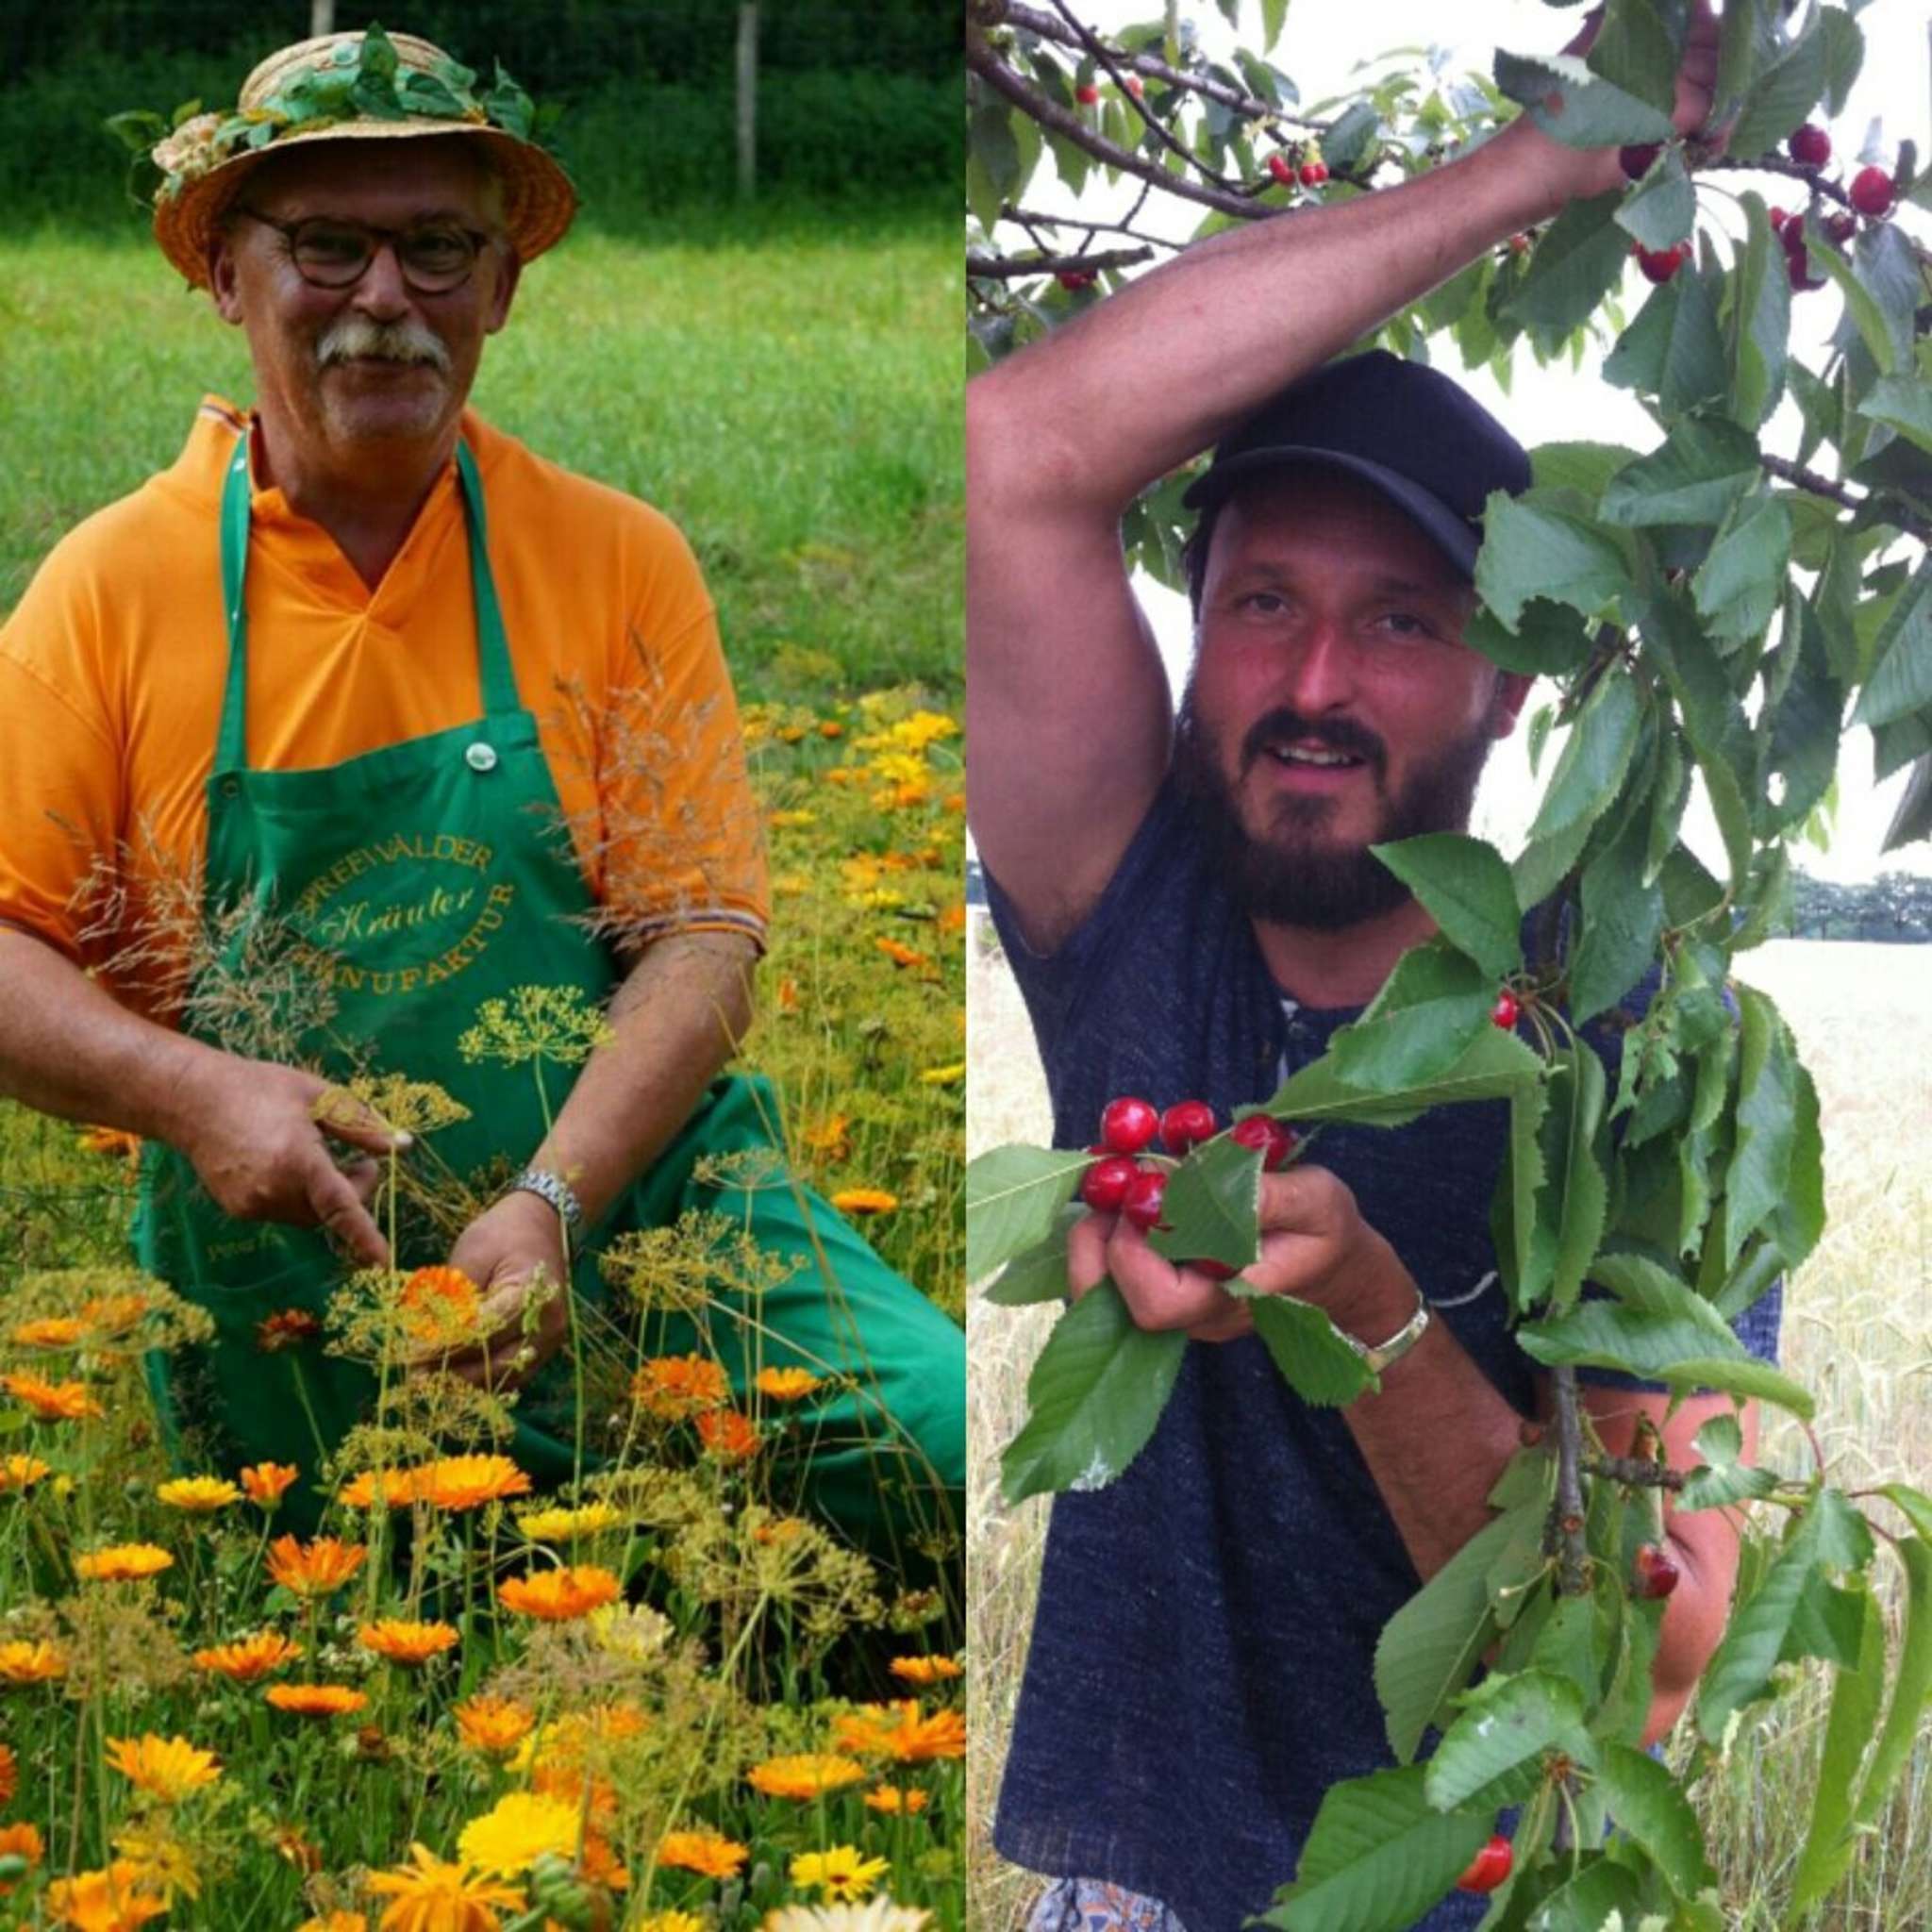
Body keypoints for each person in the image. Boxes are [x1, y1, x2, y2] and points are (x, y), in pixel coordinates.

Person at [966, 6, 1778, 1927]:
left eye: (1400, 621)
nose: (1315, 683)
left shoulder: (1625, 1041)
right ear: (1196, 631)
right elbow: (1019, 447)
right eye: (1263, 603)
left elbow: (1653, 1660)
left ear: (1510, 674)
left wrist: (1371, 1314)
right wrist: (1530, 170)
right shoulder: (1122, 902)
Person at [0, 27, 963, 1569]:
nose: (386, 300)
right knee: (408, 1590)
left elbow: (705, 937)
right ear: (224, 273)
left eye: (439, 248)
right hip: (299, 1267)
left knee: (955, 1453)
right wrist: (193, 1096)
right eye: (327, 245)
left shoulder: (611, 556)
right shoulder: (113, 589)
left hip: (654, 1211)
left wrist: (549, 1205)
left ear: (501, 289)